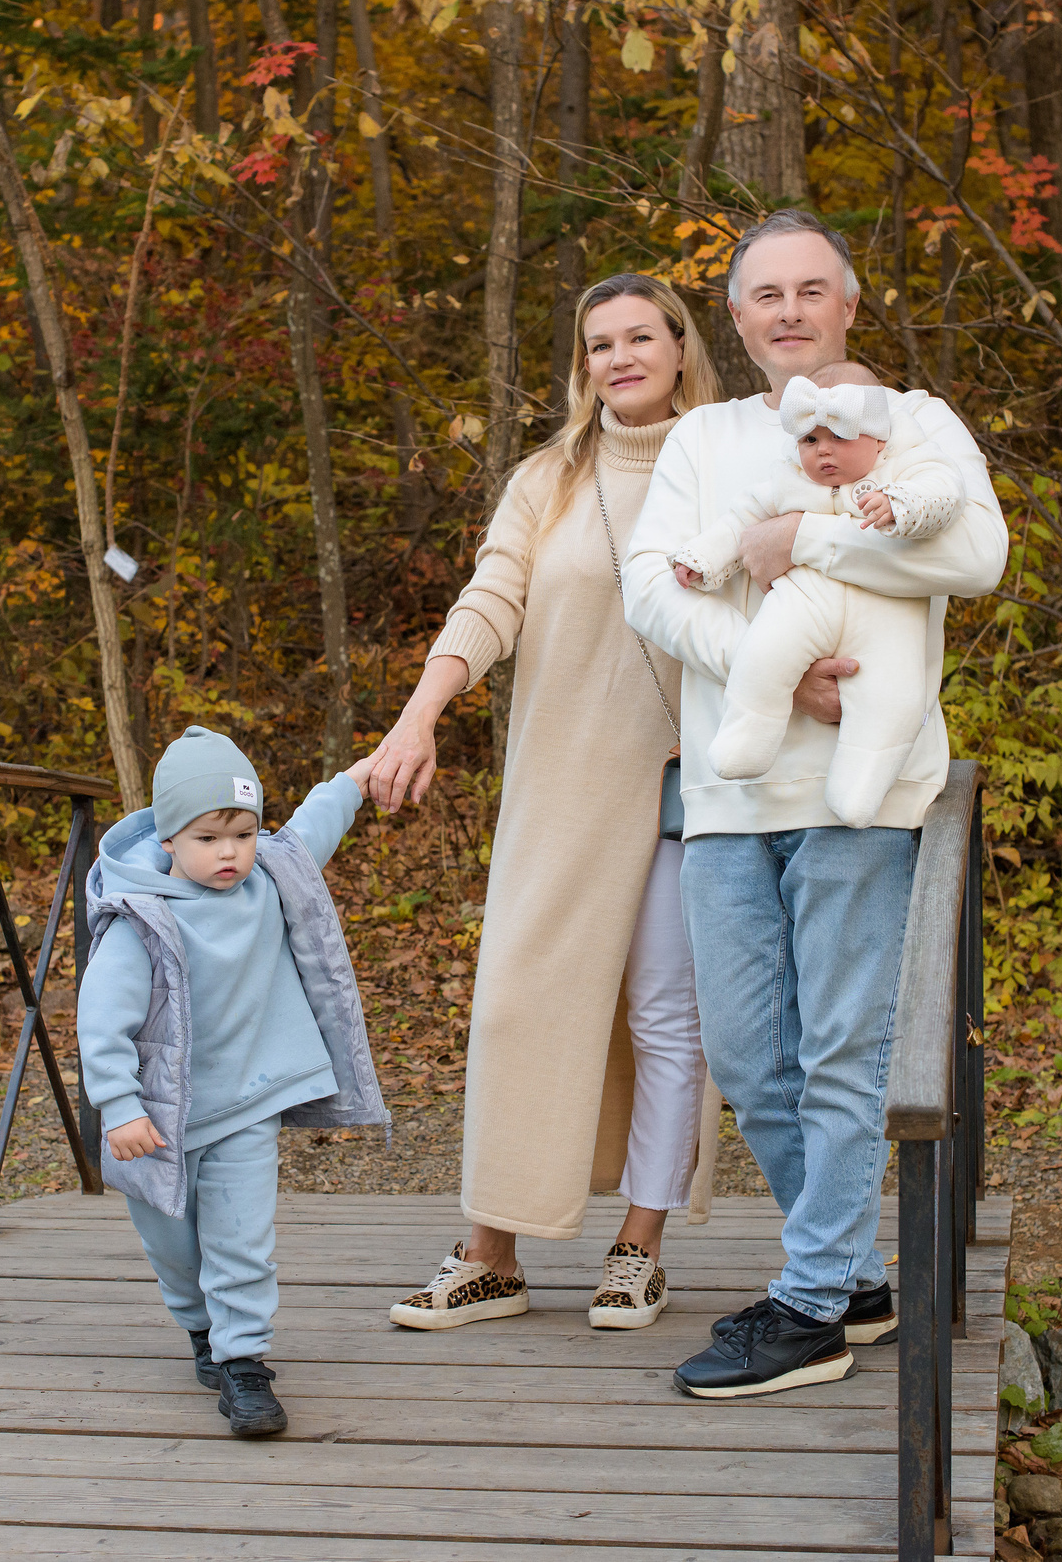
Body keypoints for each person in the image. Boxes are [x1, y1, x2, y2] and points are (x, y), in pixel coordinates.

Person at [622, 209, 1006, 1399]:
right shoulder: (702, 436)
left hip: (868, 794)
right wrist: (773, 668)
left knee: (845, 1047)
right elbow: (654, 589)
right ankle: (845, 1275)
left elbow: (972, 560)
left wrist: (805, 537)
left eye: (809, 290)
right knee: (746, 1053)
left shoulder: (916, 420)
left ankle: (809, 1303)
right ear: (733, 319)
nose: (787, 310)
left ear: (848, 302)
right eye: (763, 295)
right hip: (731, 789)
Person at [360, 273, 739, 1335]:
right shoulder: (548, 477)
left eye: (638, 337)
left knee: (668, 1018)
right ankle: (492, 1250)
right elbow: (493, 597)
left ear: (678, 345)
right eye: (596, 343)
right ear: (582, 365)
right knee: (517, 1004)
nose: (618, 356)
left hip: (680, 784)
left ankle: (638, 1246)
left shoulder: (728, 461)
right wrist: (417, 715)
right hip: (558, 782)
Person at [78, 726, 389, 1437]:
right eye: (209, 837)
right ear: (167, 840)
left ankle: (245, 1361)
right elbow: (101, 1020)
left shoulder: (269, 876)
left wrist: (358, 778)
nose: (230, 852)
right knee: (173, 1245)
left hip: (246, 1103)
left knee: (242, 1237)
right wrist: (119, 1105)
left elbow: (313, 826)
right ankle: (199, 1329)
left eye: (243, 833)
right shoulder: (140, 918)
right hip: (157, 1120)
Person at [668, 364, 964, 825]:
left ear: (879, 439)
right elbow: (740, 519)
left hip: (888, 615)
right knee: (763, 654)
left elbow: (946, 492)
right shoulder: (788, 479)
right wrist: (702, 558)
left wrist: (902, 505)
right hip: (803, 601)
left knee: (895, 698)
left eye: (840, 437)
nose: (823, 451)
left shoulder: (907, 464)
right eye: (810, 440)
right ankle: (747, 736)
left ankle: (861, 785)